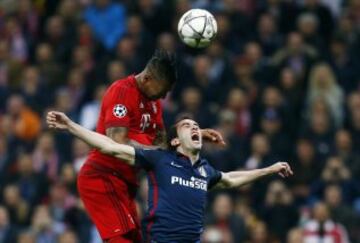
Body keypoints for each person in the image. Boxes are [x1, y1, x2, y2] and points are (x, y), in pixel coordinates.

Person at [47, 111, 293, 243]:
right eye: (187, 126)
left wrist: (268, 170)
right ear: (175, 140)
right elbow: (112, 147)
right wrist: (71, 126)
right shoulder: (160, 160)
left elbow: (231, 179)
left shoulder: (206, 170)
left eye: (197, 125)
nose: (195, 128)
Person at [74, 49, 225, 243]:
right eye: (163, 90)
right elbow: (117, 142)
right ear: (147, 79)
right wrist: (158, 155)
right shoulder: (121, 92)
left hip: (126, 182)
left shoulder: (154, 103)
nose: (163, 96)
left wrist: (194, 134)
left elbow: (163, 142)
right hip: (102, 177)